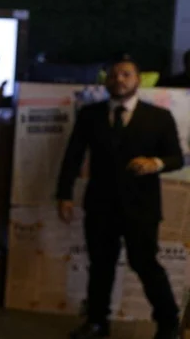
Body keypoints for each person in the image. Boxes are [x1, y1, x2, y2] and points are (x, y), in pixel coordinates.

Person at [57, 56, 184, 339]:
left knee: (145, 263)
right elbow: (73, 157)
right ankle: (97, 322)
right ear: (107, 81)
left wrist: (156, 162)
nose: (119, 80)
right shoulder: (90, 114)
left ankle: (168, 323)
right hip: (101, 204)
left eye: (126, 74)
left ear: (138, 80)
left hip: (142, 207)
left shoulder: (158, 117)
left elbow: (176, 157)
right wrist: (64, 195)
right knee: (101, 265)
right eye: (114, 75)